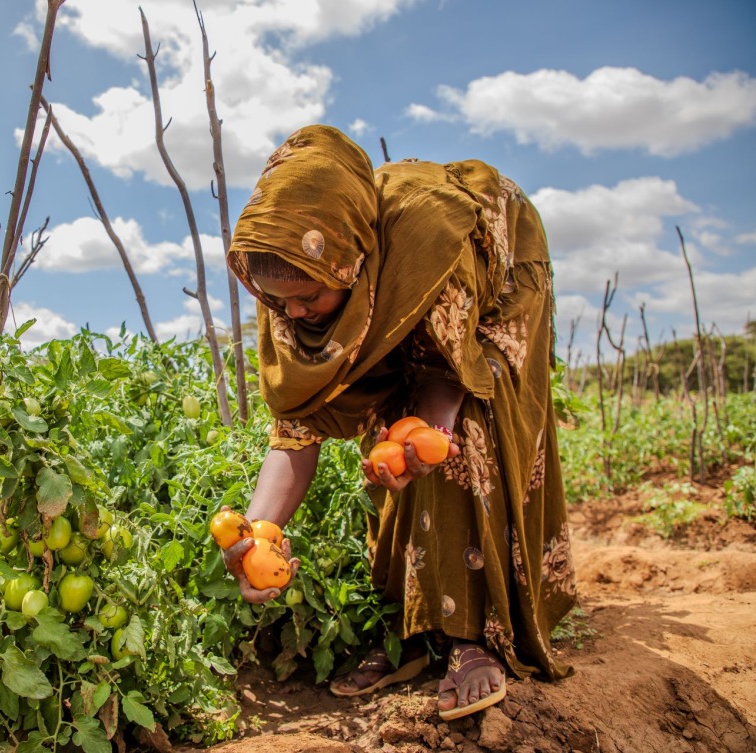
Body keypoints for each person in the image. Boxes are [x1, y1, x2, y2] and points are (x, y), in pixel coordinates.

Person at [221, 124, 576, 721]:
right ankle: (408, 631)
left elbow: (445, 371)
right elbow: (296, 430)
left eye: (308, 297)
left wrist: (427, 435)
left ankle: (474, 635)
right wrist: (261, 530)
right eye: (278, 301)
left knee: (467, 427)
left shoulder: (431, 244)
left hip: (494, 269)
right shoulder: (284, 272)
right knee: (388, 438)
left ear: (349, 267)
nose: (293, 312)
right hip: (390, 281)